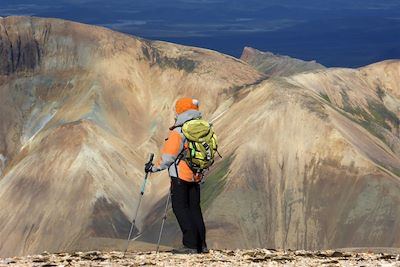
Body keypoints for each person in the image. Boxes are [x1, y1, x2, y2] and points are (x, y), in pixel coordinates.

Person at [145, 97, 209, 254]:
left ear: (180, 110)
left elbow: (169, 157)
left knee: (180, 208)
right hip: (197, 175)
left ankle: (190, 245)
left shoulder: (179, 130)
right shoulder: (203, 128)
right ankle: (202, 245)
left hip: (180, 176)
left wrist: (153, 168)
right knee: (194, 208)